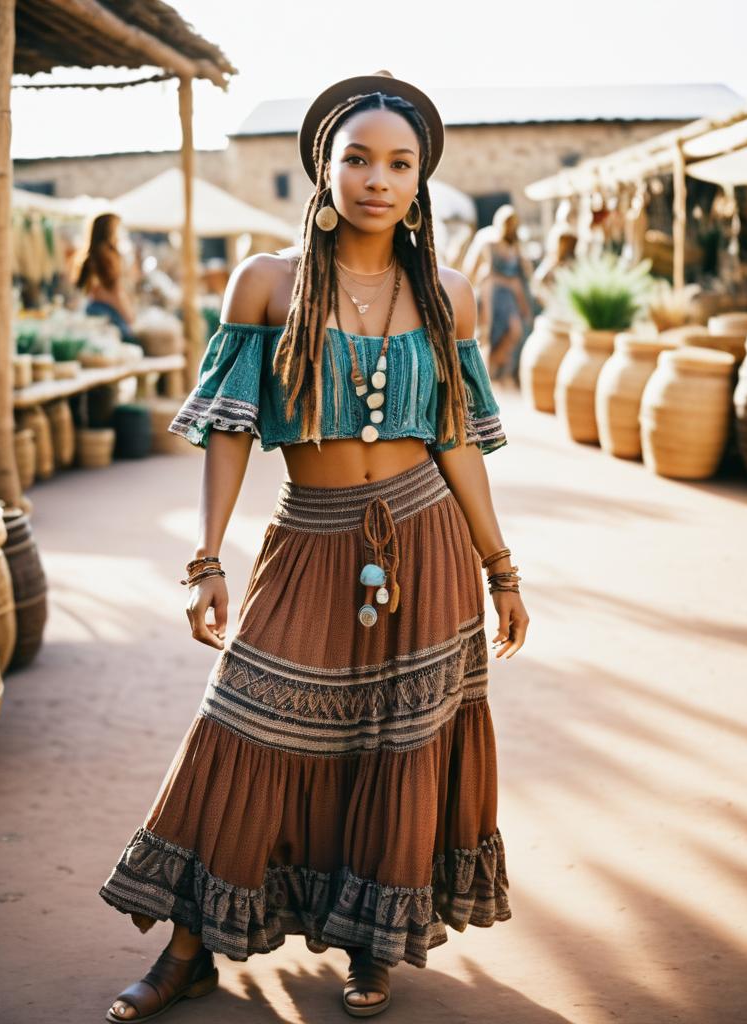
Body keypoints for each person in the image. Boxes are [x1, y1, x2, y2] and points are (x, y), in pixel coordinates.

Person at [100, 70, 529, 1023]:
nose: (379, 178)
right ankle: (188, 949)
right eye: (359, 159)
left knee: (396, 741)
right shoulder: (265, 284)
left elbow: (454, 440)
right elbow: (231, 432)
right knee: (240, 727)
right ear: (323, 170)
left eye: (400, 164)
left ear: (419, 181)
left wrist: (501, 568)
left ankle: (372, 943)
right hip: (307, 540)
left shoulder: (449, 294)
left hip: (427, 548)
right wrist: (207, 559)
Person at [463, 204, 535, 383]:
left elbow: (525, 274)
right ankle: (488, 375)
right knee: (486, 336)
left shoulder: (516, 245)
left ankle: (497, 370)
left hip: (510, 298)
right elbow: (470, 270)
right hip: (491, 296)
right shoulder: (488, 242)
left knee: (515, 330)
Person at [75, 212, 138, 341]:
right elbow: (114, 292)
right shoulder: (107, 255)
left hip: (93, 309)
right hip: (108, 312)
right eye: (118, 229)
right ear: (109, 230)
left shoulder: (91, 256)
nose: (121, 234)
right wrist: (128, 314)